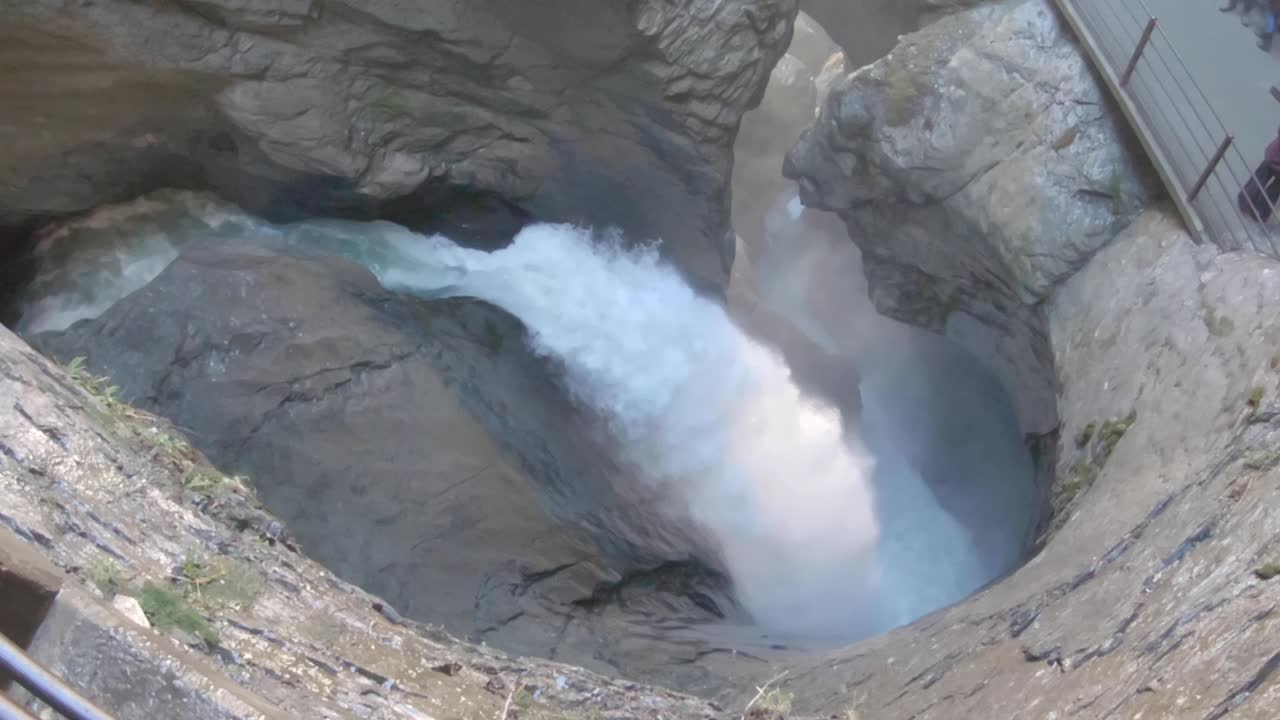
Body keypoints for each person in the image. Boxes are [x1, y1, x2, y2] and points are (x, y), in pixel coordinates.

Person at [1238, 126, 1280, 222]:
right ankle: (1258, 210)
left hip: (1272, 157)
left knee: (1262, 181)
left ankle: (1249, 204)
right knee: (1270, 187)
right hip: (1272, 157)